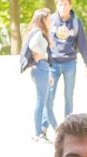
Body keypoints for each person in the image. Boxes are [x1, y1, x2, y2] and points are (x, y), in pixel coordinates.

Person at [49, 0, 87, 119]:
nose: (62, 7)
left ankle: (68, 126)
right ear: (56, 6)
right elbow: (44, 41)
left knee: (68, 97)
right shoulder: (50, 20)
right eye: (60, 4)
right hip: (53, 63)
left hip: (70, 63)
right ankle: (43, 128)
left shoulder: (76, 22)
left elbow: (82, 44)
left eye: (65, 4)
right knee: (49, 96)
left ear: (70, 5)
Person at [26, 9, 59, 142]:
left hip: (44, 70)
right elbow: (32, 45)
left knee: (49, 103)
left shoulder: (42, 33)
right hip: (40, 69)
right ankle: (38, 133)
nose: (50, 21)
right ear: (42, 20)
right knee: (41, 102)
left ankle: (58, 131)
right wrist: (41, 55)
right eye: (48, 19)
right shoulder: (38, 32)